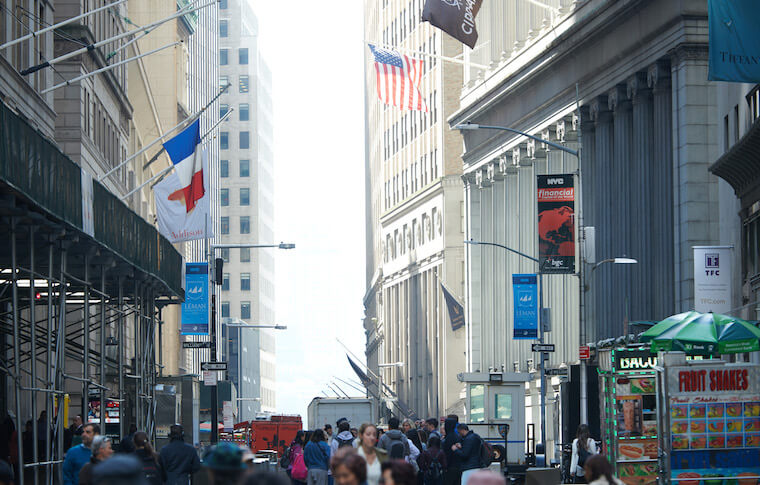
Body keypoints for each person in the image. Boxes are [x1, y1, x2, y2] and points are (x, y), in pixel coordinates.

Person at [441, 418, 461, 485]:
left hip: (450, 466)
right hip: (458, 465)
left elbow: (447, 453)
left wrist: (445, 466)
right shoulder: (457, 436)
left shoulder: (448, 438)